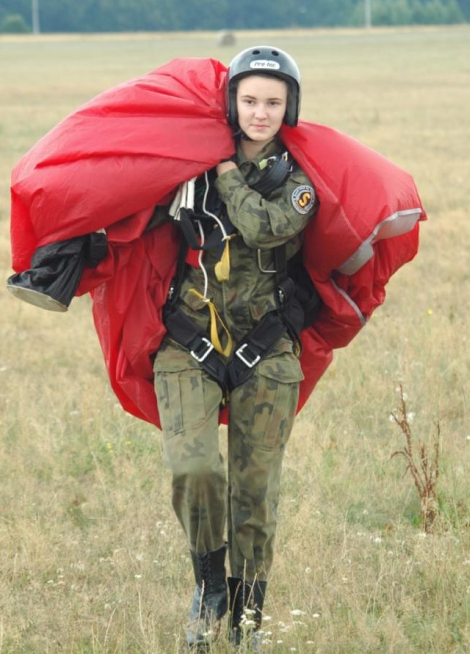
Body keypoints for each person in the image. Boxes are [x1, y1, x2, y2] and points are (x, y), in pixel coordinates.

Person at [152, 46, 319, 650]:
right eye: (249, 100)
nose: (260, 113)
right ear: (231, 103)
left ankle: (248, 617)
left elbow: (264, 227)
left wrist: (223, 171)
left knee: (255, 490)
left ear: (289, 107)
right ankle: (209, 588)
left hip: (266, 347)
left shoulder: (298, 182)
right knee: (194, 469)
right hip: (186, 340)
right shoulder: (187, 165)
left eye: (273, 102)